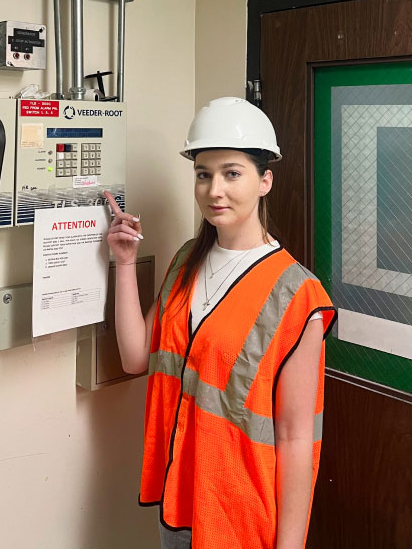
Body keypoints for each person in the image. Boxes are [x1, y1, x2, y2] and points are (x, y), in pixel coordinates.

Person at [105, 97, 337, 549]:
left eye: (232, 173)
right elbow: (136, 358)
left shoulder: (296, 295)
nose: (215, 190)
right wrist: (125, 264)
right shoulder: (187, 261)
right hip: (181, 503)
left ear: (264, 180)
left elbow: (295, 439)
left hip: (242, 518)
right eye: (203, 174)